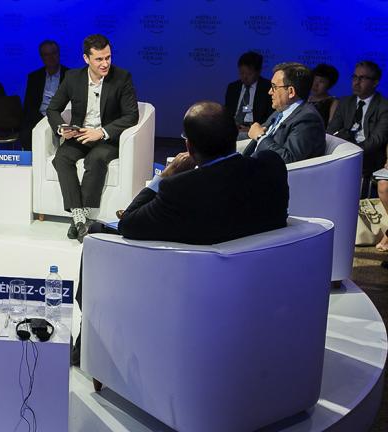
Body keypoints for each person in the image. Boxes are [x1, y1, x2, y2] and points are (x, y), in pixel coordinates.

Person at [72, 101, 289, 366]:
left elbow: (129, 223)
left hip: (184, 288)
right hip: (261, 289)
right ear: (235, 135)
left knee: (96, 231)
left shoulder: (181, 189)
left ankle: (89, 334)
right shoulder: (271, 167)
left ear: (188, 147)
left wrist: (165, 175)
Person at [46, 34, 139, 242]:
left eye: (108, 57)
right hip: (80, 135)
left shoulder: (122, 78)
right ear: (86, 59)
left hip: (107, 139)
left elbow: (132, 115)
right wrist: (62, 128)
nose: (105, 63)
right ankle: (79, 216)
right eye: (99, 59)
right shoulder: (72, 78)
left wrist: (103, 132)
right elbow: (53, 109)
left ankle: (81, 217)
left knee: (95, 158)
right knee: (61, 158)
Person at [242, 62, 325, 163]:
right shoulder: (281, 111)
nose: (270, 92)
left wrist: (260, 137)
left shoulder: (308, 120)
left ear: (291, 92)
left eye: (274, 87)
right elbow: (254, 132)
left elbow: (288, 159)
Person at [328, 60, 388, 196]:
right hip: (343, 152)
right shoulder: (345, 102)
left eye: (362, 78)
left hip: (368, 156)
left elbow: (377, 139)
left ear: (375, 82)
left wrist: (353, 153)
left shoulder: (384, 106)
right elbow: (331, 131)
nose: (356, 82)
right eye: (354, 77)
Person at [21, 40, 68, 151]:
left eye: (53, 53)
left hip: (61, 117)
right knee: (26, 132)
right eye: (46, 55)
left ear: (59, 54)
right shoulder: (34, 77)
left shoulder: (70, 75)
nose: (51, 57)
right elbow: (29, 105)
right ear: (41, 57)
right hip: (39, 116)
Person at [225, 51, 273, 136]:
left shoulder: (268, 88)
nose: (245, 77)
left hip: (255, 130)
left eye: (249, 74)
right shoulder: (233, 87)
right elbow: (227, 113)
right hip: (234, 129)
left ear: (258, 72)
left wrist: (253, 129)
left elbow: (270, 117)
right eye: (242, 73)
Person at [308, 63, 339, 127]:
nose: (315, 85)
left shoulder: (333, 102)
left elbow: (331, 127)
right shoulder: (304, 99)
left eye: (321, 81)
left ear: (330, 85)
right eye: (314, 80)